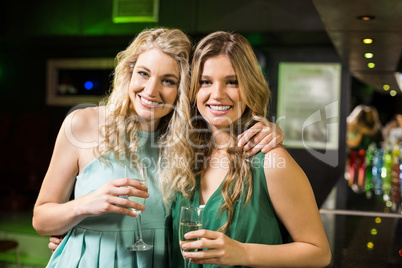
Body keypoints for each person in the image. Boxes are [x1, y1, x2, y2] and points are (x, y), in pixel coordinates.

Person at [33, 28, 284, 267]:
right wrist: (84, 205)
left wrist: (270, 131)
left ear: (183, 89)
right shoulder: (83, 124)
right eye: (143, 73)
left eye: (168, 80)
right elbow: (41, 220)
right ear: (129, 73)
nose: (151, 90)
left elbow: (224, 121)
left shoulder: (188, 142)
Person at [164, 31, 332, 267]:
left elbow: (319, 253)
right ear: (193, 90)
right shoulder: (184, 158)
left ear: (250, 87)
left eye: (232, 82)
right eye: (205, 82)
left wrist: (243, 253)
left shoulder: (271, 161)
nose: (217, 94)